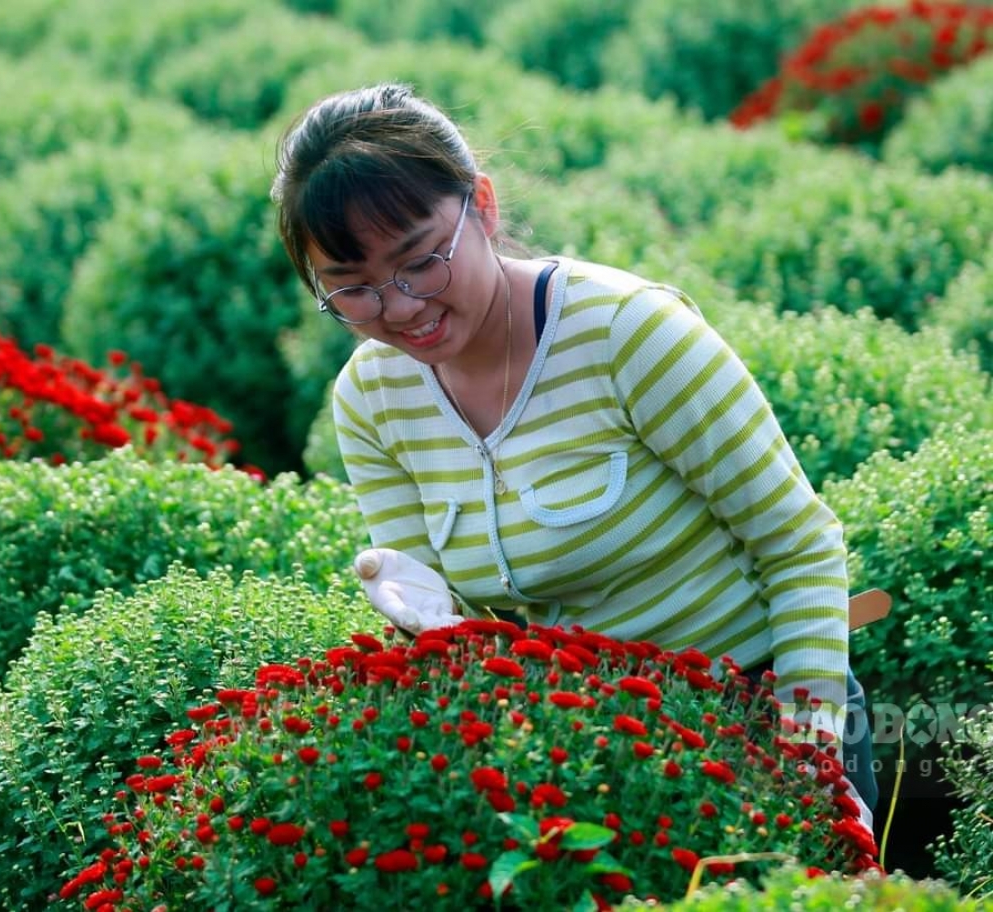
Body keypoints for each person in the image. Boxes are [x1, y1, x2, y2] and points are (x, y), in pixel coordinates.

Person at [270, 83, 878, 828]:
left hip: (761, 703)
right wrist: (429, 626)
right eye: (352, 290)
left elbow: (800, 544)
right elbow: (450, 626)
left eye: (420, 262)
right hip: (592, 754)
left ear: (482, 207)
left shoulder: (625, 333)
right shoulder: (372, 398)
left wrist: (808, 761)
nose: (398, 307)